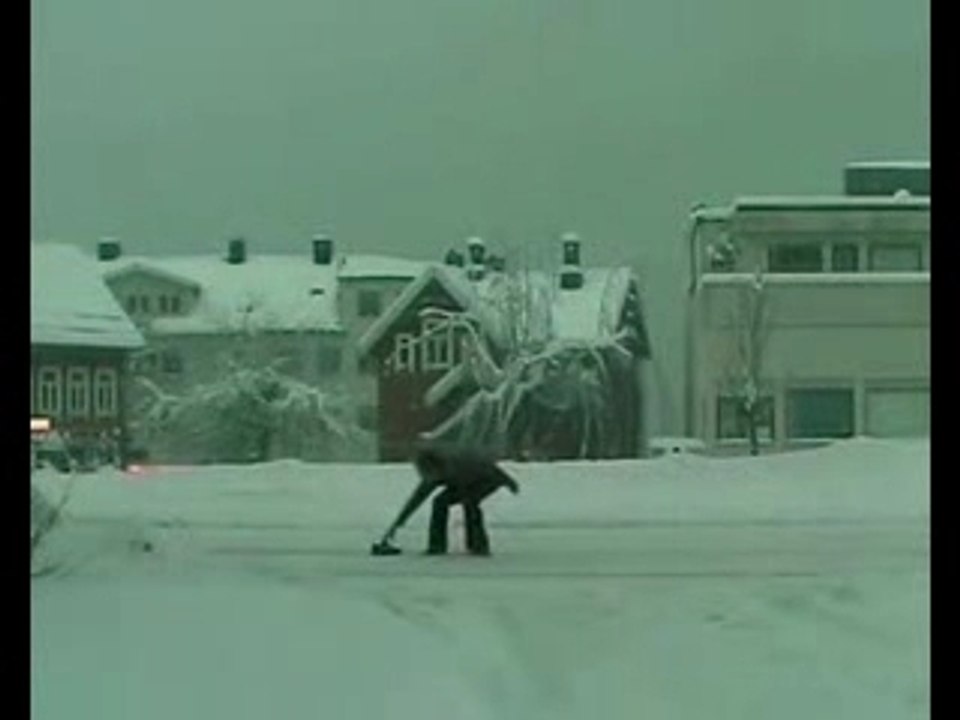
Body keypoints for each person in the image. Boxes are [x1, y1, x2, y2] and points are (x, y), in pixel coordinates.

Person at [381, 446, 520, 556]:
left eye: (431, 475)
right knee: (439, 502)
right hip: (466, 478)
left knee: (470, 503)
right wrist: (397, 525)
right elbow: (417, 499)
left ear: (438, 468)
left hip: (487, 479)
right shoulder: (434, 470)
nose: (430, 479)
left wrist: (509, 482)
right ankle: (437, 546)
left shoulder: (459, 466)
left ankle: (479, 545)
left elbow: (491, 469)